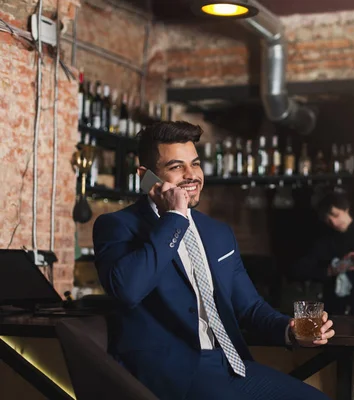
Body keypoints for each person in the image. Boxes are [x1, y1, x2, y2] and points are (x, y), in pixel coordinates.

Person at [93, 121, 334, 400]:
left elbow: (250, 307)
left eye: (194, 164)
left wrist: (290, 331)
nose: (191, 175)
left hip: (231, 364)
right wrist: (174, 218)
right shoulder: (117, 225)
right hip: (173, 372)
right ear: (146, 177)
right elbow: (127, 290)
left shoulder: (217, 233)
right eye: (176, 167)